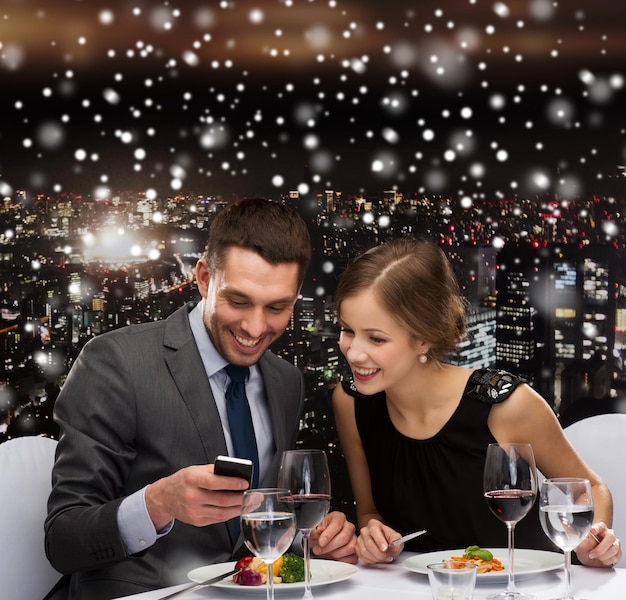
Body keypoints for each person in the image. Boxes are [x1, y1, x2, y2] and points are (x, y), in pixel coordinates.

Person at [45, 198, 357, 600]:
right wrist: (157, 503)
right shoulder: (117, 361)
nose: (255, 327)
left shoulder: (285, 380)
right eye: (239, 301)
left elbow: (260, 524)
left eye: (277, 307)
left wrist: (311, 541)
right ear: (205, 278)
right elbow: (63, 539)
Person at [332, 238, 622, 567]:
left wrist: (591, 542)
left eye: (376, 338)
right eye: (346, 330)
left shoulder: (505, 406)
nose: (353, 352)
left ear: (423, 337)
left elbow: (591, 488)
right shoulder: (350, 402)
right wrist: (373, 535)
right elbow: (371, 512)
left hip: (526, 586)